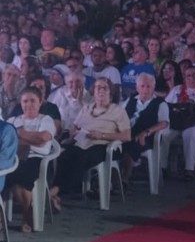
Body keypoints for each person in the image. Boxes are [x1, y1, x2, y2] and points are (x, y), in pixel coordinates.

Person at [49, 78, 131, 210]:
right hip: (83, 142)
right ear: (93, 91)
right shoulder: (87, 108)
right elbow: (75, 127)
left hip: (104, 145)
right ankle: (55, 195)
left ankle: (54, 192)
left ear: (111, 92)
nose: (101, 90)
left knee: (81, 158)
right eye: (98, 87)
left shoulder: (118, 110)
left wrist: (102, 135)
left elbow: (127, 136)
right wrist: (74, 132)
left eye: (105, 88)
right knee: (63, 157)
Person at [5, 87, 56, 232]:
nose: (29, 104)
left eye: (33, 101)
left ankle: (26, 215)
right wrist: (31, 138)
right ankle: (26, 212)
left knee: (22, 174)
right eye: (25, 101)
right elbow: (8, 142)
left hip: (36, 157)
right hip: (15, 158)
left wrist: (20, 134)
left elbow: (43, 138)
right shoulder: (13, 120)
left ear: (40, 102)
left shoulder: (46, 120)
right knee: (8, 175)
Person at [163, 65, 195, 181]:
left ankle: (189, 169)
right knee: (163, 135)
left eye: (194, 75)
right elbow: (165, 105)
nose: (191, 78)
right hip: (175, 122)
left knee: (191, 133)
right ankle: (162, 167)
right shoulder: (177, 89)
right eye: (188, 76)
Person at [120, 73, 169, 186]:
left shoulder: (160, 103)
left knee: (133, 144)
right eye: (142, 86)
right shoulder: (130, 100)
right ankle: (110, 178)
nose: (145, 89)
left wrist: (146, 132)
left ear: (153, 87)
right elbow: (119, 116)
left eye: (148, 86)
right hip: (127, 133)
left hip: (148, 137)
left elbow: (164, 123)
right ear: (137, 88)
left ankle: (124, 179)